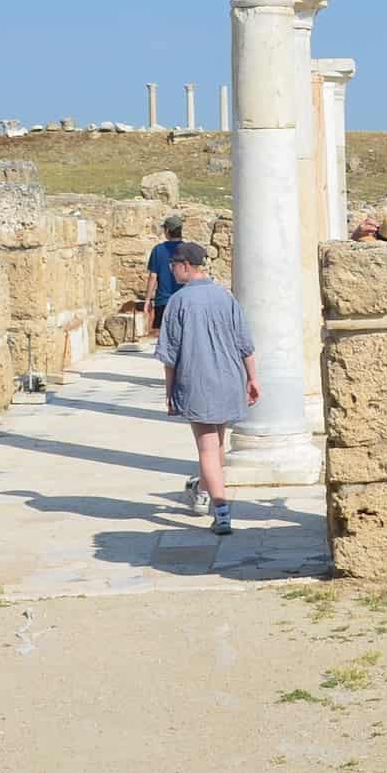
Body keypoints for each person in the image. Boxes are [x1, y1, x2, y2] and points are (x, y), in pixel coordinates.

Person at [152, 240, 259, 536]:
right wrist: (252, 378)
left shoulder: (178, 302)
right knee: (218, 444)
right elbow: (245, 344)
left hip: (197, 382)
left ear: (186, 266)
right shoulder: (226, 298)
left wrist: (169, 391)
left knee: (207, 447)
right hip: (229, 380)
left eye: (173, 266)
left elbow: (169, 355)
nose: (171, 271)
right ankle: (201, 490)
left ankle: (221, 512)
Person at [140, 215, 185, 345]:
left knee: (162, 332)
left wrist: (147, 300)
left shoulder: (158, 250)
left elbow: (153, 276)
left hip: (163, 299)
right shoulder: (187, 249)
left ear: (167, 231)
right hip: (183, 298)